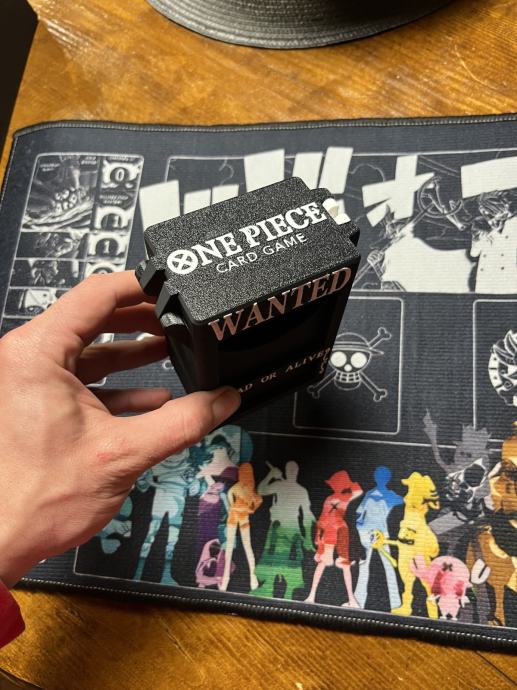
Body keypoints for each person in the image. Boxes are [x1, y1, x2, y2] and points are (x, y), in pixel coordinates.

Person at [0, 271, 241, 646]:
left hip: (180, 500)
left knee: (170, 533)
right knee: (160, 535)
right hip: (168, 499)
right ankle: (158, 565)